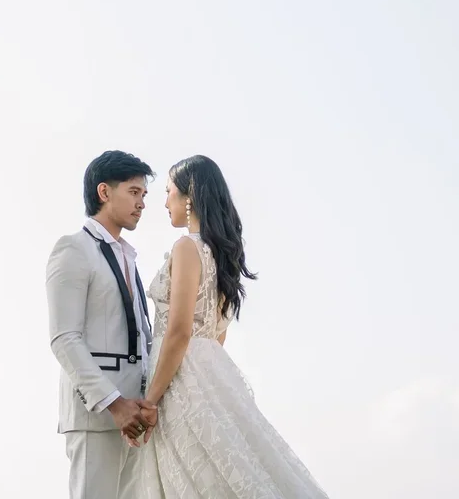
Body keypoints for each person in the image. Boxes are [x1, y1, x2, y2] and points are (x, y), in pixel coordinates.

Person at [134, 155, 329, 498]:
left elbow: (179, 331)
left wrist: (150, 400)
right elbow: (216, 333)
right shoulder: (221, 255)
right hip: (209, 371)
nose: (164, 202)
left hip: (178, 380)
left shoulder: (186, 248)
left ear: (188, 197)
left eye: (169, 192)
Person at [46, 150, 161, 499]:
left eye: (144, 195)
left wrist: (143, 401)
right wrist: (114, 404)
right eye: (133, 192)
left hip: (136, 415)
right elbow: (64, 338)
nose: (141, 203)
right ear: (104, 192)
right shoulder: (73, 249)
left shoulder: (128, 256)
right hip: (96, 417)